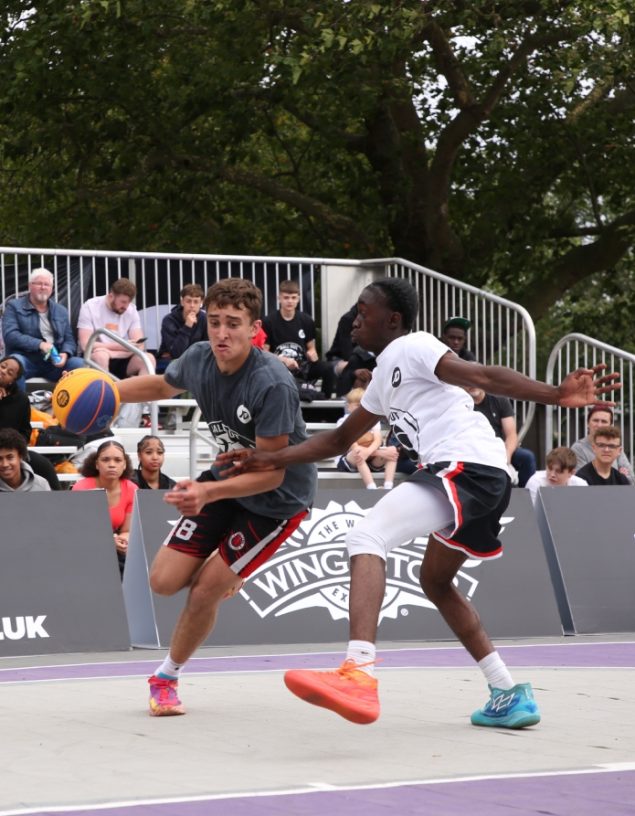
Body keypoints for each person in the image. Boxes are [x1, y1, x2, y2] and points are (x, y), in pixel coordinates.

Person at [218, 276, 619, 730]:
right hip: (480, 475)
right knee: (435, 581)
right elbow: (337, 440)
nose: (353, 320)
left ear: (393, 319)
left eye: (363, 311)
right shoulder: (383, 378)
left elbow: (483, 376)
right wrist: (268, 457)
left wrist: (554, 395)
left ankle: (358, 672)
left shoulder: (414, 346)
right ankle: (507, 692)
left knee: (365, 536)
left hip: (466, 465)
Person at [114, 278, 317, 717]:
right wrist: (107, 391)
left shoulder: (272, 383)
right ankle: (227, 570)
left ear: (255, 329)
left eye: (234, 324)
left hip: (277, 500)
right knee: (162, 582)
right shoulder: (199, 357)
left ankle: (165, 677)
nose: (222, 333)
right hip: (228, 475)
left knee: (205, 589)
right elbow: (161, 387)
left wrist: (206, 491)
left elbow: (271, 472)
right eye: (216, 322)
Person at [1, 267, 85, 389]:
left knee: (80, 364)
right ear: (30, 286)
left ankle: (70, 401)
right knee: (13, 364)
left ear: (51, 288)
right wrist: (40, 344)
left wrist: (65, 353)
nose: (43, 287)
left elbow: (69, 340)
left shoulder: (61, 310)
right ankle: (18, 401)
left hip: (54, 363)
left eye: (47, 284)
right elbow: (10, 336)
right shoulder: (14, 306)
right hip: (25, 359)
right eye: (39, 283)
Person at [71, 440, 139, 577]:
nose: (112, 464)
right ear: (97, 464)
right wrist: (109, 541)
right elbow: (79, 531)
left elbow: (127, 530)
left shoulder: (132, 489)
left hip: (116, 549)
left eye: (118, 460)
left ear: (124, 464)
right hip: (86, 548)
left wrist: (122, 541)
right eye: (105, 460)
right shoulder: (81, 488)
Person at [262, 279, 335, 399]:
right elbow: (264, 354)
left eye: (293, 297)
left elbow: (311, 348)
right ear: (279, 298)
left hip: (303, 367)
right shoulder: (269, 321)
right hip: (279, 368)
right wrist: (283, 360)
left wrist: (312, 354)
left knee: (328, 368)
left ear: (298, 299)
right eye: (286, 298)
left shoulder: (306, 320)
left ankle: (325, 402)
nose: (290, 301)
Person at [0, 354, 61, 489]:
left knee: (44, 465)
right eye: (2, 366)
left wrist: (16, 449)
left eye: (9, 372)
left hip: (12, 450)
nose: (3, 371)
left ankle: (59, 500)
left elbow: (25, 431)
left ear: (13, 380)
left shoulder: (21, 399)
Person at [77, 278, 156, 379]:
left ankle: (142, 389)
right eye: (123, 302)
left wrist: (113, 352)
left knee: (149, 358)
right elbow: (86, 345)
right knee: (101, 356)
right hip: (95, 355)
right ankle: (106, 389)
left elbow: (139, 345)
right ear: (111, 296)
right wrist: (122, 346)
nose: (126, 306)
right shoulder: (90, 306)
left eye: (128, 302)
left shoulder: (131, 310)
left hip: (119, 356)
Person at [465, 386, 537, 487]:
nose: (471, 384)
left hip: (499, 450)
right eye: (468, 380)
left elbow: (511, 435)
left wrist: (507, 456)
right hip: (473, 451)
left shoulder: (499, 399)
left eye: (475, 380)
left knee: (527, 457)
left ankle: (525, 493)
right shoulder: (459, 402)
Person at [336, 388, 396, 490]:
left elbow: (377, 440)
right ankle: (371, 487)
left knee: (392, 451)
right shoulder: (343, 421)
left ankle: (388, 486)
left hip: (370, 457)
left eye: (363, 406)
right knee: (358, 452)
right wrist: (377, 453)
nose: (361, 409)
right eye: (357, 405)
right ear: (349, 406)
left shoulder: (372, 420)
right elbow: (353, 445)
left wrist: (369, 452)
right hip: (350, 459)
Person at [570, 405, 634, 484]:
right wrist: (619, 475)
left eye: (604, 421)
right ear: (587, 423)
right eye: (595, 420)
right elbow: (581, 481)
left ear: (610, 425)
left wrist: (620, 477)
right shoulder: (578, 448)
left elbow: (631, 480)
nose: (599, 425)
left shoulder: (615, 446)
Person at [157, 284, 207, 370]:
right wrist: (187, 326)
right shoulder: (169, 320)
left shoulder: (204, 319)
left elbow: (207, 346)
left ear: (201, 303)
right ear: (182, 302)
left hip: (196, 360)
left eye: (196, 302)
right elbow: (177, 353)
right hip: (169, 362)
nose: (192, 305)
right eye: (188, 301)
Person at [0, 427, 52, 492]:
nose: (5, 464)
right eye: (0, 459)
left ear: (20, 457)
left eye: (10, 457)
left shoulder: (41, 485)